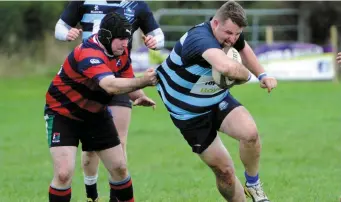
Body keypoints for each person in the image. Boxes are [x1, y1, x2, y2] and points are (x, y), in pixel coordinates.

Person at [156, 1, 277, 202]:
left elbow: (243, 47)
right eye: (229, 33)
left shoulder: (232, 34)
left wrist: (262, 75)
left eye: (237, 34)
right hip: (189, 114)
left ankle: (253, 184)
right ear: (215, 24)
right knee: (225, 173)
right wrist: (246, 76)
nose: (232, 39)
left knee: (251, 134)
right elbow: (227, 68)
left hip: (215, 99)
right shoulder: (199, 39)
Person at [54, 1, 164, 201]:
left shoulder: (122, 52)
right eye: (122, 39)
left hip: (108, 90)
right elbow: (110, 85)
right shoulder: (89, 50)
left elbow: (158, 36)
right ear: (107, 35)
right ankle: (92, 195)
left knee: (120, 157)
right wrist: (144, 81)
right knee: (80, 161)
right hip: (75, 99)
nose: (126, 43)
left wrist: (139, 94)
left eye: (127, 39)